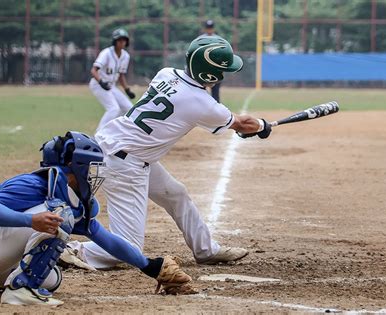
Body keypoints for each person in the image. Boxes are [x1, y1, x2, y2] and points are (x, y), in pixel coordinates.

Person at [62, 35, 272, 270]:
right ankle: (68, 250)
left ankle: (206, 250)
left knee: (175, 194)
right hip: (125, 164)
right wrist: (264, 126)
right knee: (128, 249)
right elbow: (243, 124)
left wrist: (250, 126)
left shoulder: (166, 73)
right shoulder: (203, 103)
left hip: (118, 149)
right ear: (210, 74)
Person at [0, 132, 194, 306]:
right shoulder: (33, 183)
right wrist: (30, 221)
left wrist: (150, 266)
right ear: (74, 165)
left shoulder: (70, 194)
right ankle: (21, 290)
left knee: (52, 278)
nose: (93, 174)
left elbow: (106, 240)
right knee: (60, 217)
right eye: (90, 166)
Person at [89, 28, 136, 132]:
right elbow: (94, 70)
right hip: (98, 84)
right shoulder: (106, 53)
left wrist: (127, 90)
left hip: (111, 86)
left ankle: (113, 130)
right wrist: (101, 82)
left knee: (129, 108)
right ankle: (98, 134)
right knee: (113, 108)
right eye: (119, 40)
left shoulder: (125, 56)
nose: (122, 42)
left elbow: (121, 75)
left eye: (124, 40)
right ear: (115, 41)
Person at [201, 19, 221, 102]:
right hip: (203, 69)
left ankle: (217, 111)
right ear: (205, 28)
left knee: (215, 92)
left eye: (211, 27)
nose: (209, 29)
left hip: (215, 69)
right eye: (208, 27)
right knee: (201, 91)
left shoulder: (219, 39)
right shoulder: (200, 39)